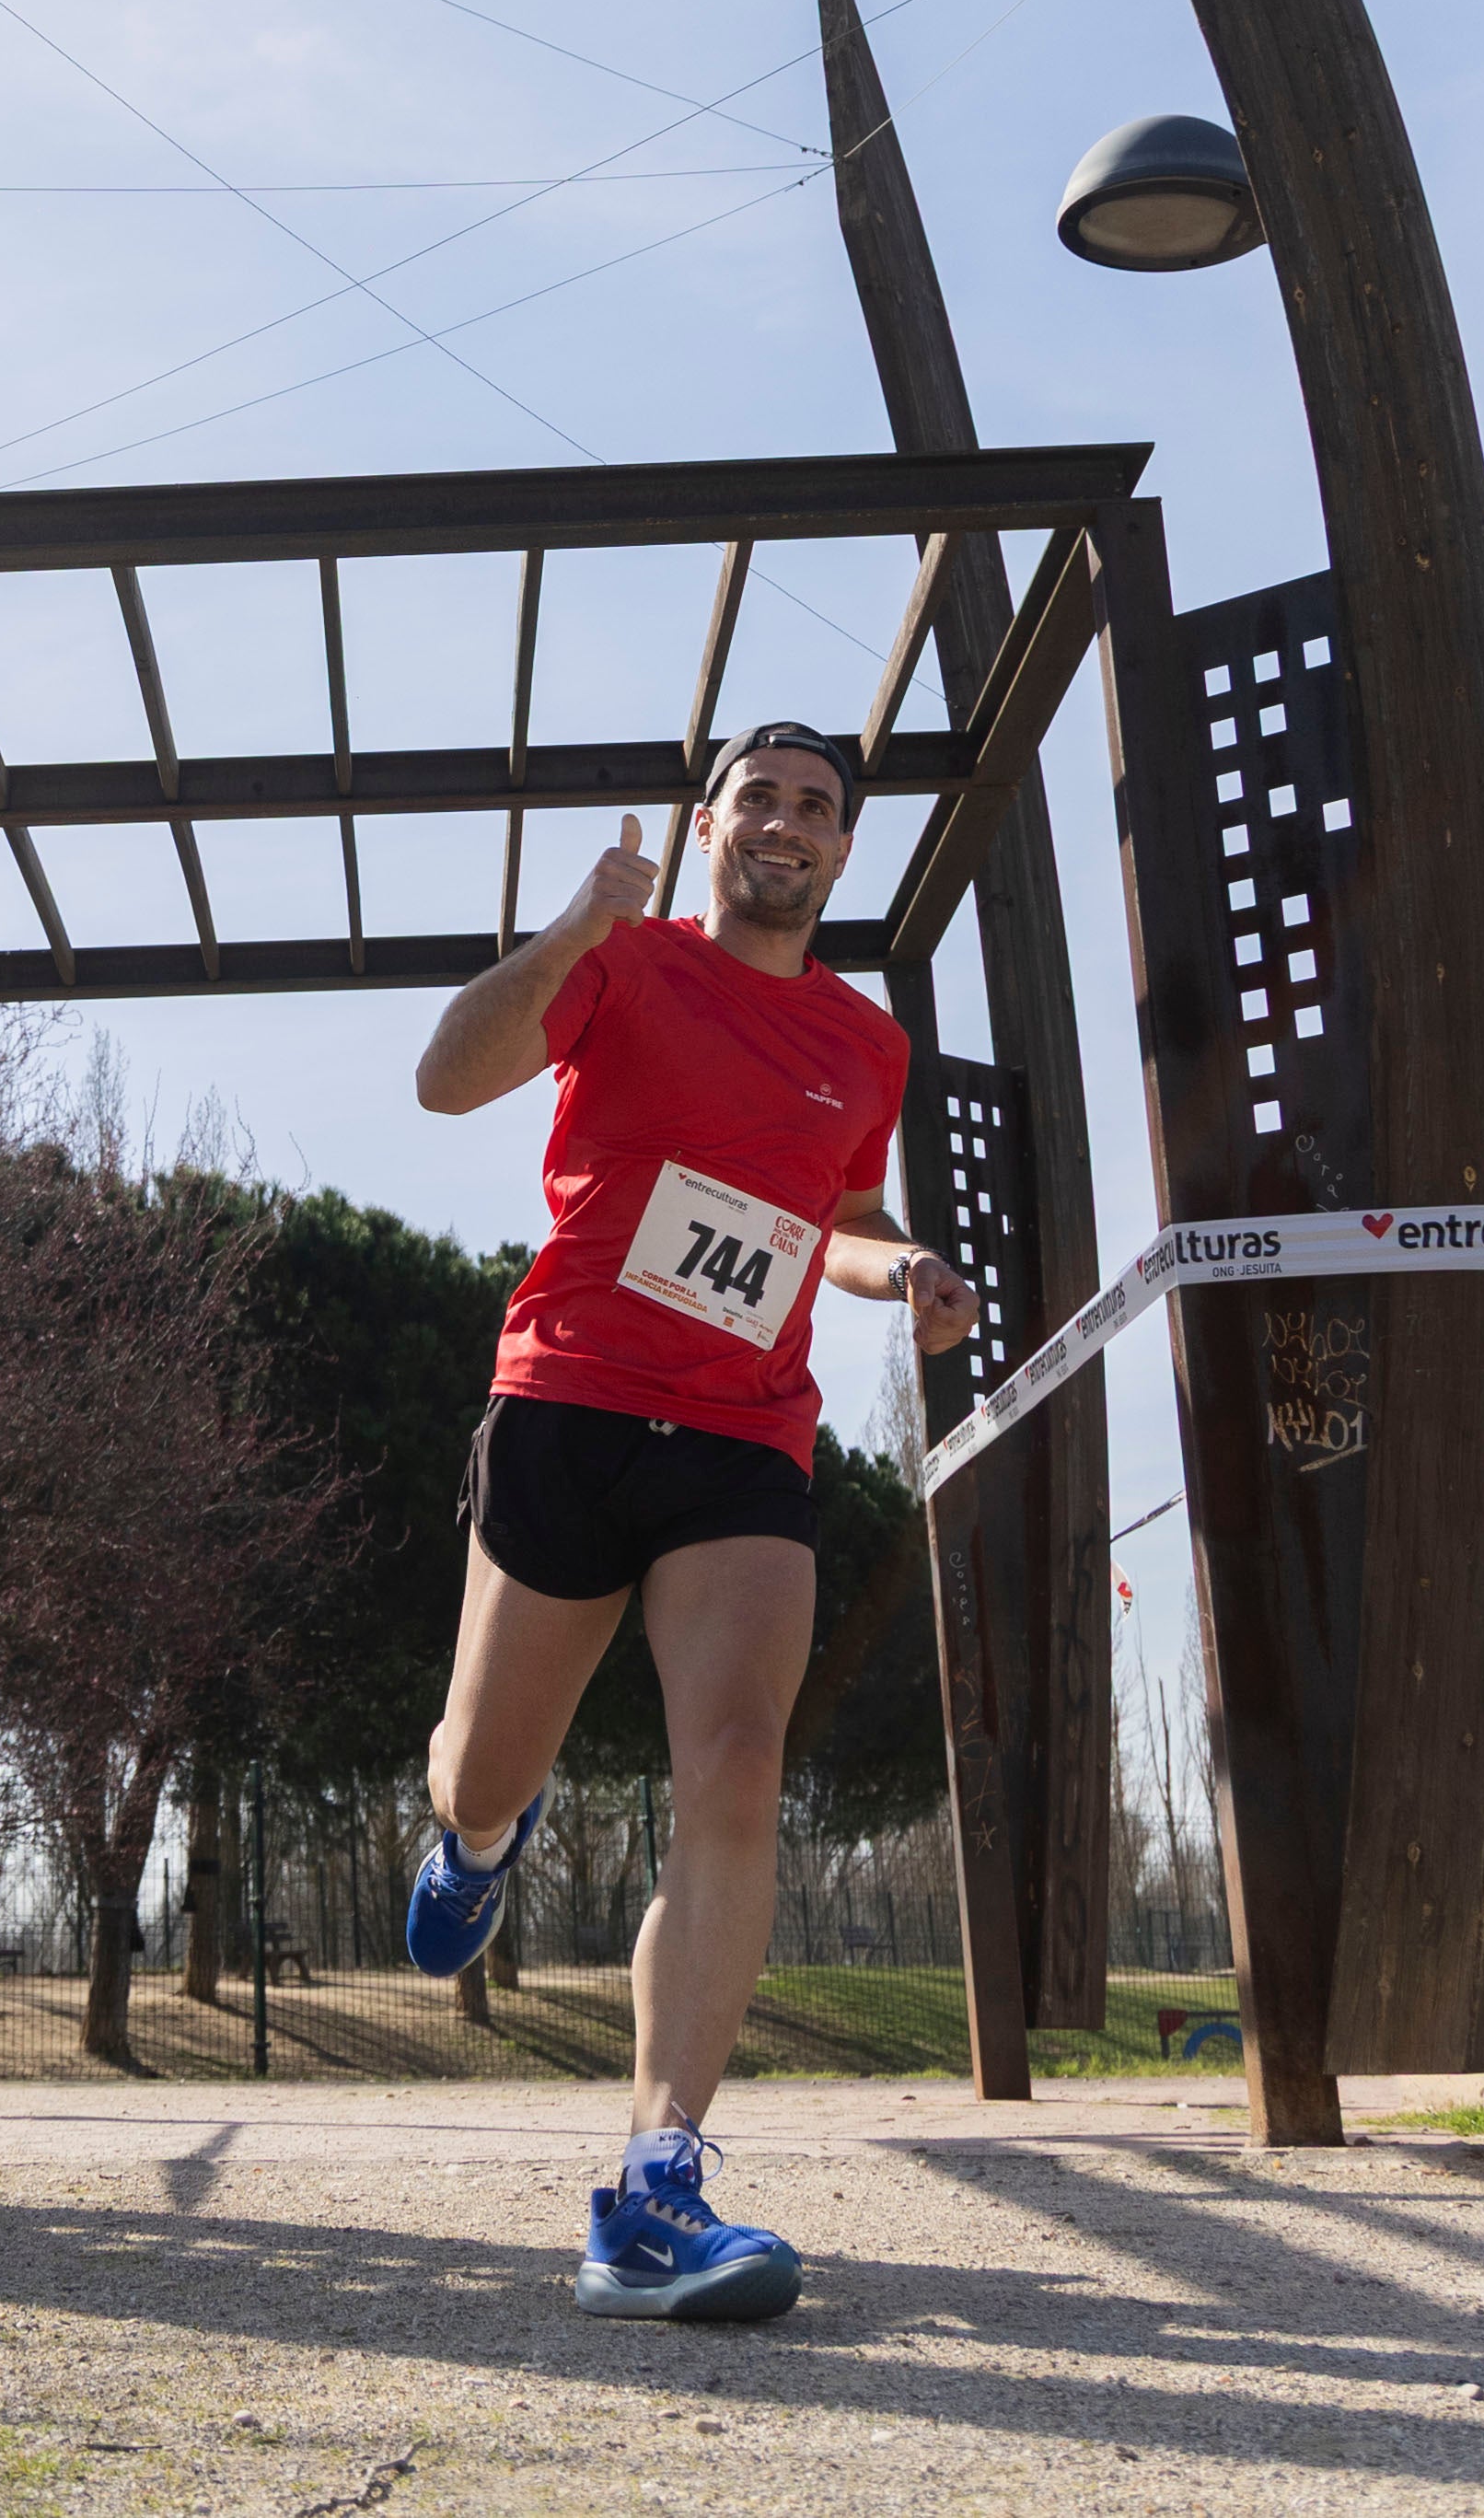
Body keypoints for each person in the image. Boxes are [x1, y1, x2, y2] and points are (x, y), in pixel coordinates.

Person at [407, 722, 978, 2324]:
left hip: (743, 1437)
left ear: (841, 849)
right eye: (758, 799)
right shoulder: (624, 962)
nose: (785, 822)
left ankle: (654, 2186)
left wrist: (902, 1269)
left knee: (736, 1761)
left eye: (815, 806)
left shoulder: (864, 1044)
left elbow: (836, 1215)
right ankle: (476, 1835)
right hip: (572, 1399)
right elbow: (444, 1079)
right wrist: (575, 924)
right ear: (708, 826)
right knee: (482, 1764)